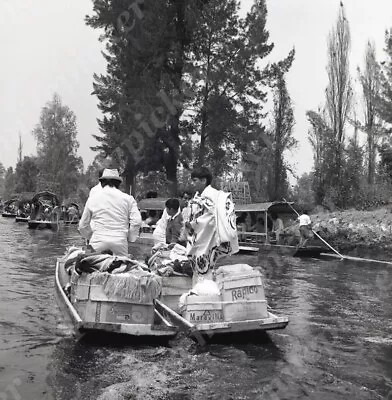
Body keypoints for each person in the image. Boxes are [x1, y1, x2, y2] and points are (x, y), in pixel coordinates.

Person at [186, 167, 239, 284]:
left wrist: (193, 224)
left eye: (195, 180)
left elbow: (207, 220)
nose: (192, 183)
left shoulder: (213, 197)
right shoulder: (198, 198)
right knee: (200, 270)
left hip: (209, 238)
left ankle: (205, 293)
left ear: (203, 181)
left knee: (206, 268)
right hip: (201, 237)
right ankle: (200, 292)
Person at [78, 169, 142, 256]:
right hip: (120, 243)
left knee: (85, 261)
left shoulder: (93, 197)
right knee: (122, 265)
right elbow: (137, 221)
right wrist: (129, 237)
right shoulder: (128, 199)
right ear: (118, 183)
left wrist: (90, 236)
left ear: (102, 182)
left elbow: (82, 225)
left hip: (97, 242)